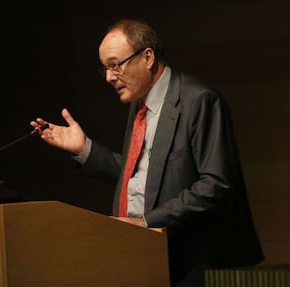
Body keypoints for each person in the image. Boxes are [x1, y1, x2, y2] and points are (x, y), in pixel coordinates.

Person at [30, 18, 264, 287]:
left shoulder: (198, 99)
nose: (108, 77)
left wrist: (146, 222)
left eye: (115, 65)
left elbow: (216, 185)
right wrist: (85, 150)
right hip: (149, 256)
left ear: (148, 57)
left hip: (195, 262)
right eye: (105, 69)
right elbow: (144, 176)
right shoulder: (140, 104)